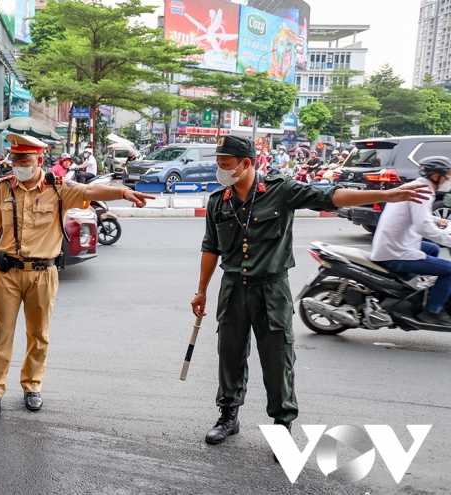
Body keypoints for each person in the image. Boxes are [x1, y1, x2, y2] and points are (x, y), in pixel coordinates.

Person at [190, 135, 429, 451]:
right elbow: (211, 247)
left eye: (225, 164)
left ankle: (282, 425)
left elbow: (331, 196)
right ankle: (228, 416)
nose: (220, 170)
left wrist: (388, 195)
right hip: (232, 289)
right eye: (219, 164)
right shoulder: (218, 201)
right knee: (230, 354)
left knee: (277, 357)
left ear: (245, 163)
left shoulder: (281, 190)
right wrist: (201, 291)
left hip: (271, 289)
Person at [0, 133, 155, 418]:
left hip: (44, 274)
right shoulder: (5, 189)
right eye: (16, 159)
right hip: (7, 273)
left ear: (39, 159)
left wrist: (123, 193)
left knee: (39, 335)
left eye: (26, 158)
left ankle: (32, 387)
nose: (20, 163)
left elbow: (90, 192)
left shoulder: (58, 188)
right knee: (0, 334)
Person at [371, 157, 451, 325]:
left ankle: (413, 290)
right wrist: (448, 240)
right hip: (395, 252)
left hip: (394, 243)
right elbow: (423, 227)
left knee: (433, 250)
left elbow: (419, 216)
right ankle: (432, 311)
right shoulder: (423, 191)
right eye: (448, 175)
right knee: (449, 271)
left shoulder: (416, 186)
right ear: (436, 176)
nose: (449, 179)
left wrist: (438, 221)